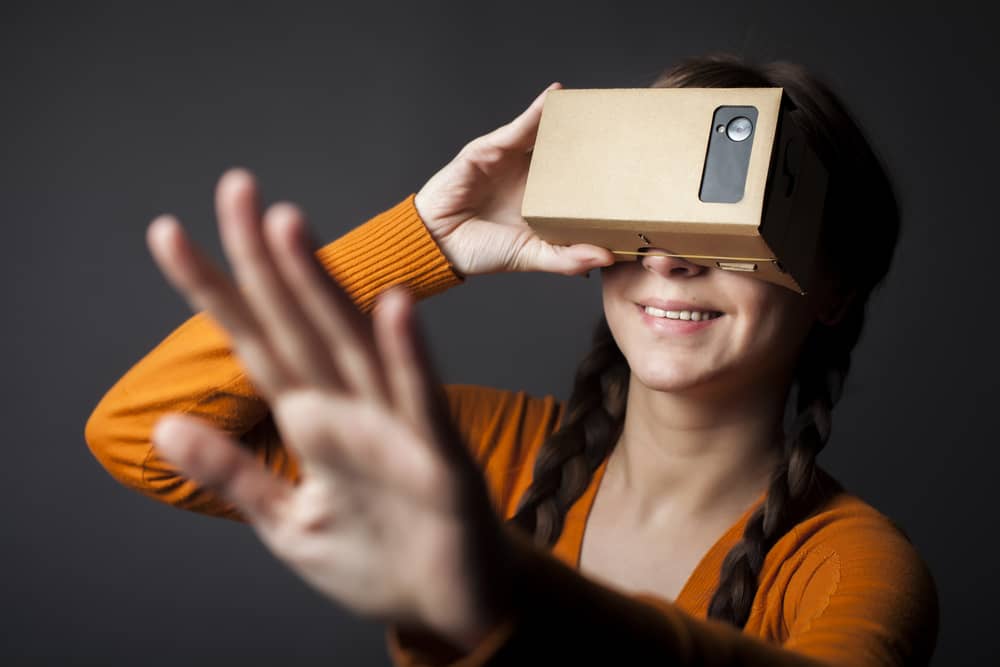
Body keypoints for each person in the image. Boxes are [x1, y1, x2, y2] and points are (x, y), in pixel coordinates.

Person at [85, 53, 939, 665]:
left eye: (733, 223)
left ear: (833, 287)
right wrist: (429, 238)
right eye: (649, 210)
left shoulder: (852, 566)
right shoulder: (474, 452)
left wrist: (500, 588)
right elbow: (142, 433)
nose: (673, 260)